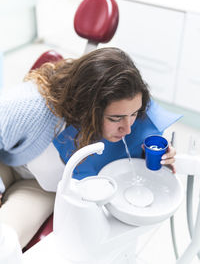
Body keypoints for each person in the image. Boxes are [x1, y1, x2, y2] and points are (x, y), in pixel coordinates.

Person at [0, 47, 180, 248]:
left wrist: (151, 155)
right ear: (86, 109)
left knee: (4, 244)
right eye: (115, 118)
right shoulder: (31, 107)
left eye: (134, 114)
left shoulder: (129, 105)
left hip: (40, 188)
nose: (128, 128)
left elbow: (143, 137)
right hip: (6, 164)